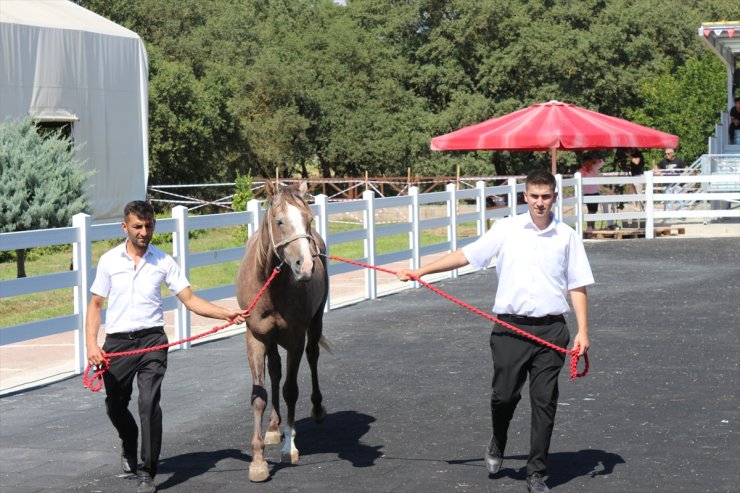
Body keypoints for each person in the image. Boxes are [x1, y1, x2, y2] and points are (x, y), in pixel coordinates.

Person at [396, 170, 593, 493]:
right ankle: (498, 438)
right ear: (525, 196)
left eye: (546, 196)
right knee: (504, 397)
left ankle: (536, 474)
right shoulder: (506, 230)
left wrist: (583, 330)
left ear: (555, 197)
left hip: (551, 331)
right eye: (534, 196)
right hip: (509, 329)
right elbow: (467, 255)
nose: (540, 202)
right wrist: (422, 270)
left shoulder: (567, 236)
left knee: (544, 402)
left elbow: (578, 284)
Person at [85, 201, 248, 493]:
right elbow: (95, 305)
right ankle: (129, 438)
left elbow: (190, 299)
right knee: (115, 405)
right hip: (118, 344)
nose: (144, 232)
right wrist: (91, 345)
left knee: (148, 403)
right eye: (137, 226)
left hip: (152, 342)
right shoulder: (110, 261)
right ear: (125, 227)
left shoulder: (163, 261)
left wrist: (226, 313)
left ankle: (147, 472)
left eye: (149, 226)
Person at [578, 154, 605, 234]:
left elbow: (602, 162)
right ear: (584, 163)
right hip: (588, 193)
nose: (589, 165)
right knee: (590, 210)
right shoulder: (581, 171)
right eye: (587, 163)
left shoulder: (594, 167)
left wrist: (594, 159)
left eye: (590, 163)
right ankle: (589, 227)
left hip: (596, 192)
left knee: (594, 210)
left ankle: (592, 227)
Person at [627, 148, 645, 217]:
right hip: (634, 175)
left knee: (638, 194)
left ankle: (640, 212)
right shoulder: (633, 154)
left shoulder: (638, 154)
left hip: (639, 176)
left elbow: (636, 162)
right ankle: (636, 210)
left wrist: (629, 156)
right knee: (633, 194)